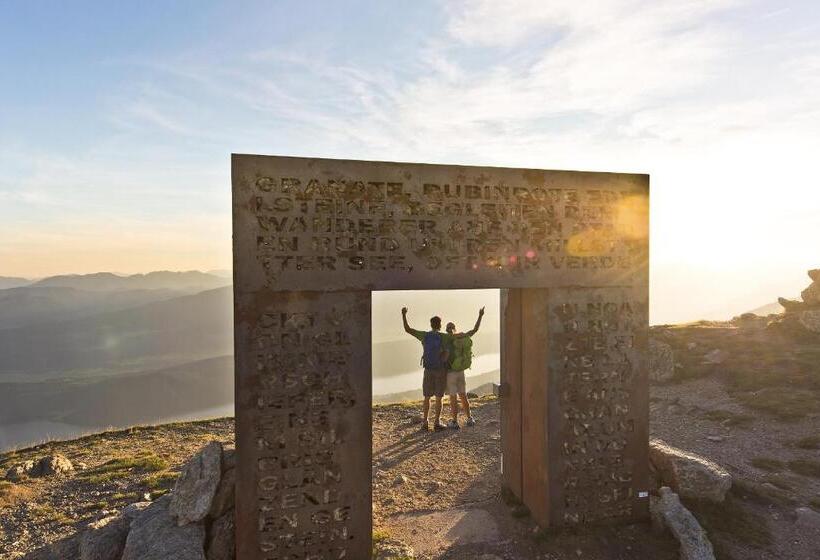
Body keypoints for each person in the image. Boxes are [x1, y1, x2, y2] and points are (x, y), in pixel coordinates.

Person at [401, 308, 449, 431]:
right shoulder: (443, 337)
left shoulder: (425, 335)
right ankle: (437, 422)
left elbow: (408, 329)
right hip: (440, 370)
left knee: (427, 397)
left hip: (428, 369)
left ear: (431, 324)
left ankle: (425, 422)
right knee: (439, 397)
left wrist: (404, 314)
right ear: (440, 325)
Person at [445, 308, 484, 429]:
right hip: (461, 371)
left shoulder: (446, 339)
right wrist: (480, 315)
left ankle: (454, 421)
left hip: (451, 373)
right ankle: (469, 418)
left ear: (446, 330)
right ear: (455, 328)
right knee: (463, 396)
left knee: (453, 398)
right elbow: (475, 329)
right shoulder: (462, 336)